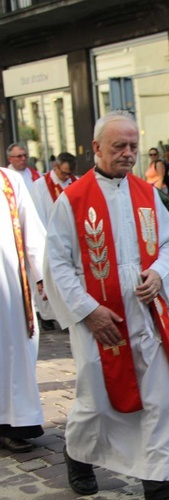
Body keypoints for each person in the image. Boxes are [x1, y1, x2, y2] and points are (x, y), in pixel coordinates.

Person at [44, 111, 169, 499]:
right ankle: (78, 453)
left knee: (161, 400)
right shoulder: (72, 199)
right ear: (96, 149)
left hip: (145, 315)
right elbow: (55, 262)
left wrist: (159, 273)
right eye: (118, 147)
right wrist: (87, 310)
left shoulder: (146, 192)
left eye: (132, 147)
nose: (128, 153)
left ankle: (160, 482)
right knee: (97, 403)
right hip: (99, 316)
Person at [0, 167, 46, 454]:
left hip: (9, 286)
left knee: (13, 352)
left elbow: (32, 230)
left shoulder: (9, 180)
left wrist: (42, 274)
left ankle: (13, 423)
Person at [31, 152, 78, 331]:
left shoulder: (76, 181)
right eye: (64, 173)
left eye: (70, 173)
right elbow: (38, 215)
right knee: (48, 280)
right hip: (48, 238)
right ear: (55, 167)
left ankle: (68, 315)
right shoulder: (40, 186)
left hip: (70, 239)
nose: (67, 177)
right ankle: (46, 316)